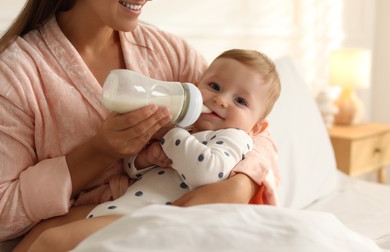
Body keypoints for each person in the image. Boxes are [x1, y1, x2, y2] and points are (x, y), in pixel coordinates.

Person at [0, 0, 279, 249]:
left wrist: (239, 186)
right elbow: (4, 216)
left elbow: (253, 131)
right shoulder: (16, 75)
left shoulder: (169, 53)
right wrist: (99, 151)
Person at [26, 48, 282, 251]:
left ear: (257, 125)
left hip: (145, 218)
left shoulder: (234, 137)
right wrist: (145, 159)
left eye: (240, 101)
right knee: (42, 233)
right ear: (196, 85)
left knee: (51, 243)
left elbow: (208, 173)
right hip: (122, 207)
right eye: (214, 86)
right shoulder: (188, 130)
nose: (221, 100)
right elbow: (132, 172)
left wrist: (171, 134)